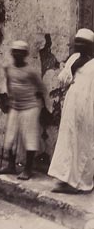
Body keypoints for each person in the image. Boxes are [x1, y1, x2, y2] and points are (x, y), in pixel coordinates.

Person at [48, 28, 94, 194]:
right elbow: (63, 79)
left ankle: (81, 183)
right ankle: (65, 178)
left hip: (89, 107)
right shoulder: (74, 58)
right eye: (78, 42)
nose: (79, 45)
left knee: (84, 143)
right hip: (72, 105)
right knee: (68, 141)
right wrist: (73, 67)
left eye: (84, 43)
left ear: (91, 45)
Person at [0, 41, 47, 180]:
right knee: (10, 137)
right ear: (12, 53)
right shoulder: (8, 68)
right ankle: (11, 165)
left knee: (29, 138)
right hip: (15, 105)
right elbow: (7, 83)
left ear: (25, 54)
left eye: (21, 52)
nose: (17, 54)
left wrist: (38, 97)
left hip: (29, 107)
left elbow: (41, 87)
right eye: (15, 51)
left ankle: (28, 169)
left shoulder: (31, 71)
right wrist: (5, 98)